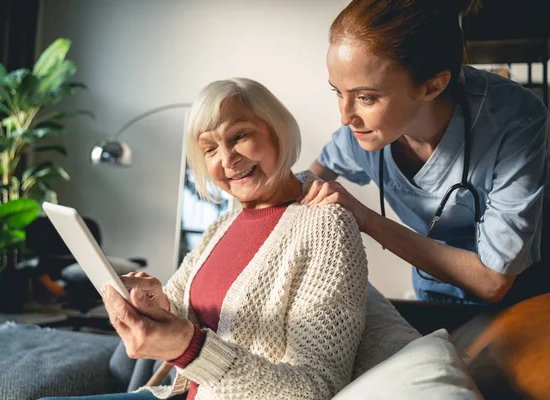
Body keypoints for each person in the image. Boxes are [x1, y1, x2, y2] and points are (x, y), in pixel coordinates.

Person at [41, 78, 368, 400]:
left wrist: (188, 348)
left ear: (277, 130)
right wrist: (157, 302)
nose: (227, 160)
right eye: (210, 148)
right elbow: (183, 308)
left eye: (239, 136)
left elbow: (316, 389)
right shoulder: (223, 225)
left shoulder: (328, 227)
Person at [301, 0, 549, 307]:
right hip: (434, 294)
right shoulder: (360, 133)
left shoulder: (513, 118)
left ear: (432, 86)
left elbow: (494, 281)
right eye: (337, 92)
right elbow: (305, 185)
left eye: (366, 97)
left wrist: (367, 219)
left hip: (525, 303)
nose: (345, 116)